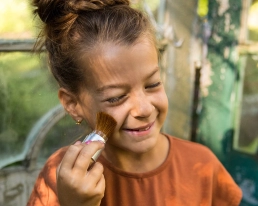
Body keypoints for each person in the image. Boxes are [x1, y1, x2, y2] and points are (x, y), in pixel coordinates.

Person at [27, 0, 242, 205]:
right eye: (116, 97)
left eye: (153, 84)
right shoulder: (59, 179)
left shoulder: (202, 164)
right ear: (73, 104)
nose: (145, 109)